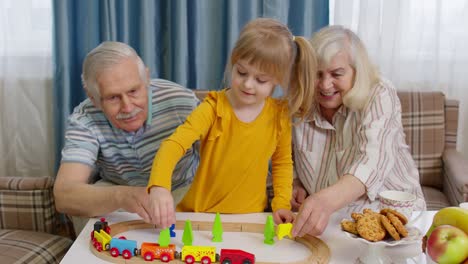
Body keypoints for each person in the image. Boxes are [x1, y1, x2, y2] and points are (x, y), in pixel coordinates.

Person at [146, 18, 317, 229]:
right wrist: (159, 186)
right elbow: (173, 145)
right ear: (233, 62)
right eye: (241, 72)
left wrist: (281, 204)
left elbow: (282, 163)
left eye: (261, 80)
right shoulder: (213, 107)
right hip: (201, 215)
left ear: (278, 80)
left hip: (250, 219)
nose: (247, 84)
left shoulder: (279, 115)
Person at [291, 25, 426, 237]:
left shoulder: (379, 93)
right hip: (330, 223)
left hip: (395, 220)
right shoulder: (299, 103)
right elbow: (283, 156)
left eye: (337, 74)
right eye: (317, 74)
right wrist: (295, 182)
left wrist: (323, 200)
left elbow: (371, 162)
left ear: (357, 71)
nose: (325, 85)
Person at [53, 41, 200, 235]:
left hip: (181, 187)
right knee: (85, 209)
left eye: (133, 91)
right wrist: (122, 196)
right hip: (120, 188)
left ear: (146, 78)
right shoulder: (84, 118)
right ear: (94, 98)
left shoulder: (182, 102)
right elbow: (64, 195)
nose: (128, 108)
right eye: (113, 97)